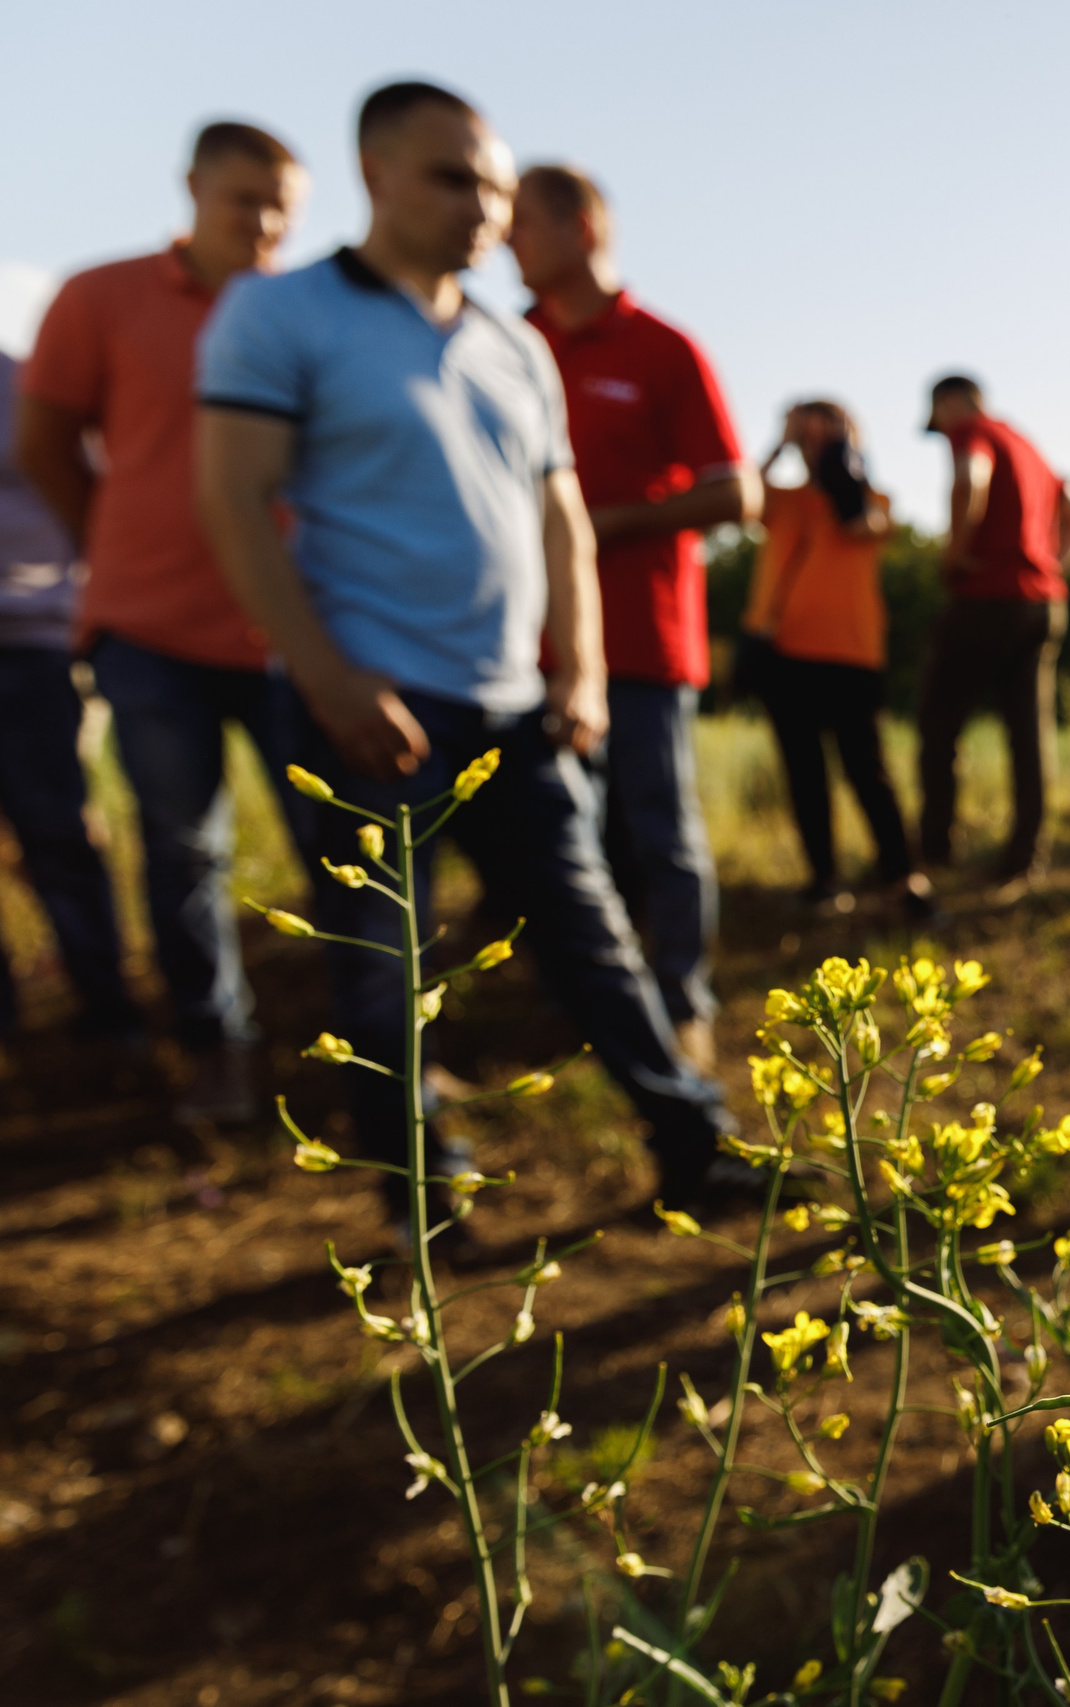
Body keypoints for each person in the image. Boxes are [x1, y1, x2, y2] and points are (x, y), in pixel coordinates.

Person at [193, 80, 736, 1220]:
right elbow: (234, 502)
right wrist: (330, 677)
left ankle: (694, 1143)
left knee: (593, 935)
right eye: (453, 178)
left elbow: (562, 523)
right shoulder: (278, 316)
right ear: (375, 173)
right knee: (383, 957)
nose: (482, 206)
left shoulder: (512, 346)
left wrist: (579, 673)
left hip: (516, 707)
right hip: (372, 701)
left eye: (494, 184)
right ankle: (419, 1193)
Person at [16, 120, 308, 1122]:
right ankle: (213, 1044)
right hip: (146, 628)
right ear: (192, 188)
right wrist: (115, 537)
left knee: (338, 833)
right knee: (180, 849)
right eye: (244, 200)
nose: (264, 224)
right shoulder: (100, 297)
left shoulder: (303, 315)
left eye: (283, 208)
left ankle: (385, 1050)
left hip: (290, 630)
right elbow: (46, 434)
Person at [511, 163, 757, 1070]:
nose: (505, 241)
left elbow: (737, 490)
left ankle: (683, 1006)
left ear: (582, 228)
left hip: (644, 642)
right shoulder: (508, 344)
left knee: (661, 831)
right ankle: (584, 1006)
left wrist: (610, 524)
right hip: (529, 648)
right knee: (561, 840)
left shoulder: (662, 348)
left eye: (523, 224)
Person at [0, 353, 142, 1046]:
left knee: (56, 833)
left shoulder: (27, 387)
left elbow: (96, 496)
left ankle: (110, 1014)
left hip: (28, 641)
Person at [743, 400, 928, 916]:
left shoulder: (874, 500)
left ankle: (903, 876)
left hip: (852, 654)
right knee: (805, 772)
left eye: (824, 434)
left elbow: (858, 526)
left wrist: (841, 451)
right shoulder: (781, 499)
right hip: (784, 654)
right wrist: (781, 443)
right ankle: (824, 880)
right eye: (806, 435)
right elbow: (739, 497)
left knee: (868, 771)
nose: (813, 444)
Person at [916, 375, 1070, 889]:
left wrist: (954, 555)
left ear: (950, 402)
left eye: (938, 418)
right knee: (1029, 734)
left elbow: (969, 480)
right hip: (1041, 603)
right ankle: (1023, 859)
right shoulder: (1025, 443)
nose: (941, 429)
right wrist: (1054, 567)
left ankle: (935, 847)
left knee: (938, 723)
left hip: (986, 598)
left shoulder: (971, 430)